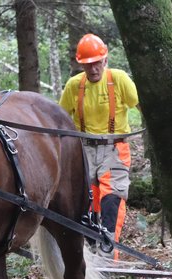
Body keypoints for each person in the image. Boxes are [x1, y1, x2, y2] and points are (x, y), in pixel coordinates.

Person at [59, 33, 140, 259]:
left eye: (97, 63)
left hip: (115, 148)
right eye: (88, 65)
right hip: (82, 150)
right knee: (86, 201)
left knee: (112, 198)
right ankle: (91, 251)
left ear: (105, 60)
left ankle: (108, 253)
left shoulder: (119, 79)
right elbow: (59, 117)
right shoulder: (75, 86)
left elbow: (141, 105)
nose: (93, 69)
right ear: (80, 64)